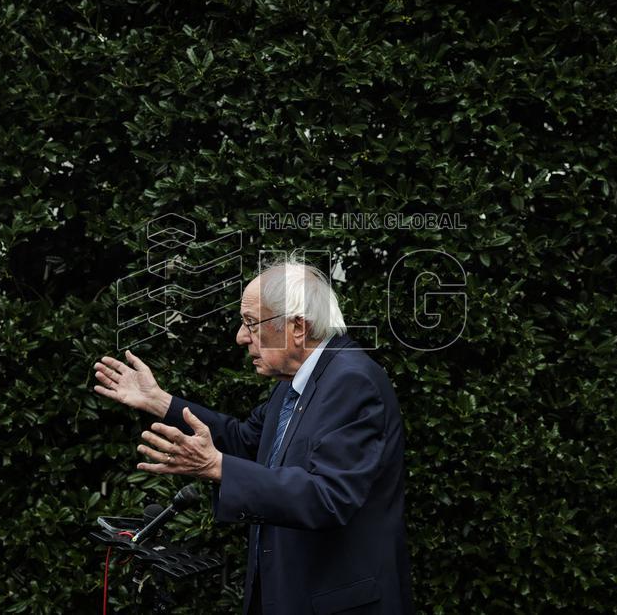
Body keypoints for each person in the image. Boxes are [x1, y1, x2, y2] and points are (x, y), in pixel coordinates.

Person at [93, 261, 413, 614]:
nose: (241, 337)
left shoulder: (353, 381)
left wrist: (219, 469)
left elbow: (329, 497)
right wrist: (160, 402)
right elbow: (246, 441)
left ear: (297, 327)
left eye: (251, 323)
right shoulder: (297, 382)